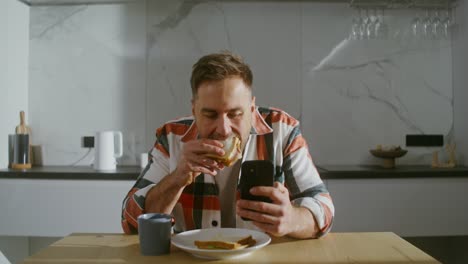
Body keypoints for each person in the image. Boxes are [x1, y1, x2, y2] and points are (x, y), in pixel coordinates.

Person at [121, 51, 334, 239]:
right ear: (194, 110)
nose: (223, 129)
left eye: (235, 114)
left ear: (252, 108)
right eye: (210, 114)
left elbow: (323, 209)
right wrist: (177, 179)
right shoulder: (171, 138)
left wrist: (292, 220)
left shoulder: (283, 131)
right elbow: (130, 220)